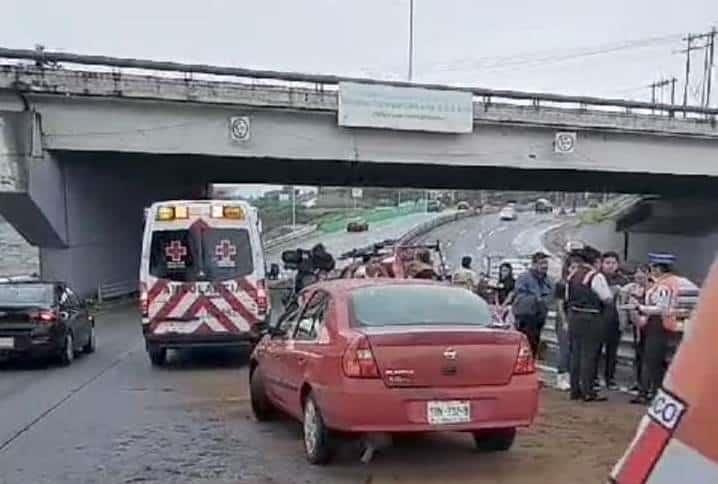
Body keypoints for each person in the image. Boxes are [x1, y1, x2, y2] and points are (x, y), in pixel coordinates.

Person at [630, 253, 698, 405]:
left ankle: (653, 393)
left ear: (659, 268)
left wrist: (640, 307)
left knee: (652, 359)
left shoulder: (665, 285)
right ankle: (653, 392)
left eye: (652, 267)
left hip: (661, 324)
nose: (651, 270)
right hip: (671, 324)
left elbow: (662, 308)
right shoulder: (677, 282)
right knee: (656, 360)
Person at [566, 246, 614, 402]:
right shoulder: (595, 276)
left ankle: (575, 389)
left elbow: (567, 296)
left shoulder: (572, 275)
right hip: (591, 317)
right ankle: (588, 390)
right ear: (596, 261)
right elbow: (607, 298)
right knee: (589, 355)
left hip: (574, 316)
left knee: (575, 353)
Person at [598, 251, 629, 390]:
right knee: (596, 351)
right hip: (599, 319)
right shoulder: (597, 278)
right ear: (602, 264)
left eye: (613, 263)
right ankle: (593, 378)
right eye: (607, 263)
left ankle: (610, 378)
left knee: (612, 352)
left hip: (616, 320)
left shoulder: (623, 280)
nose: (610, 266)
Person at [513, 252, 554, 358]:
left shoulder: (547, 280)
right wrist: (535, 299)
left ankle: (532, 360)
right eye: (542, 263)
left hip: (539, 316)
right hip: (526, 315)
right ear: (534, 264)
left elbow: (551, 294)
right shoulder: (524, 277)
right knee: (526, 341)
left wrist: (545, 302)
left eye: (546, 263)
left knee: (535, 340)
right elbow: (519, 295)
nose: (545, 266)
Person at [618, 264, 651, 392]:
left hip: (648, 324)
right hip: (637, 325)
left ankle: (645, 384)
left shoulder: (653, 289)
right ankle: (639, 381)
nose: (639, 278)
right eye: (637, 276)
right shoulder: (632, 288)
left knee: (646, 356)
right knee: (638, 354)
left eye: (642, 276)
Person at [554, 249, 584, 391]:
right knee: (564, 348)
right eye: (572, 267)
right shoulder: (562, 284)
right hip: (564, 318)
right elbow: (559, 304)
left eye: (578, 268)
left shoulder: (579, 284)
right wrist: (564, 321)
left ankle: (571, 376)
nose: (575, 270)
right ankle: (561, 376)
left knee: (574, 349)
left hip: (575, 318)